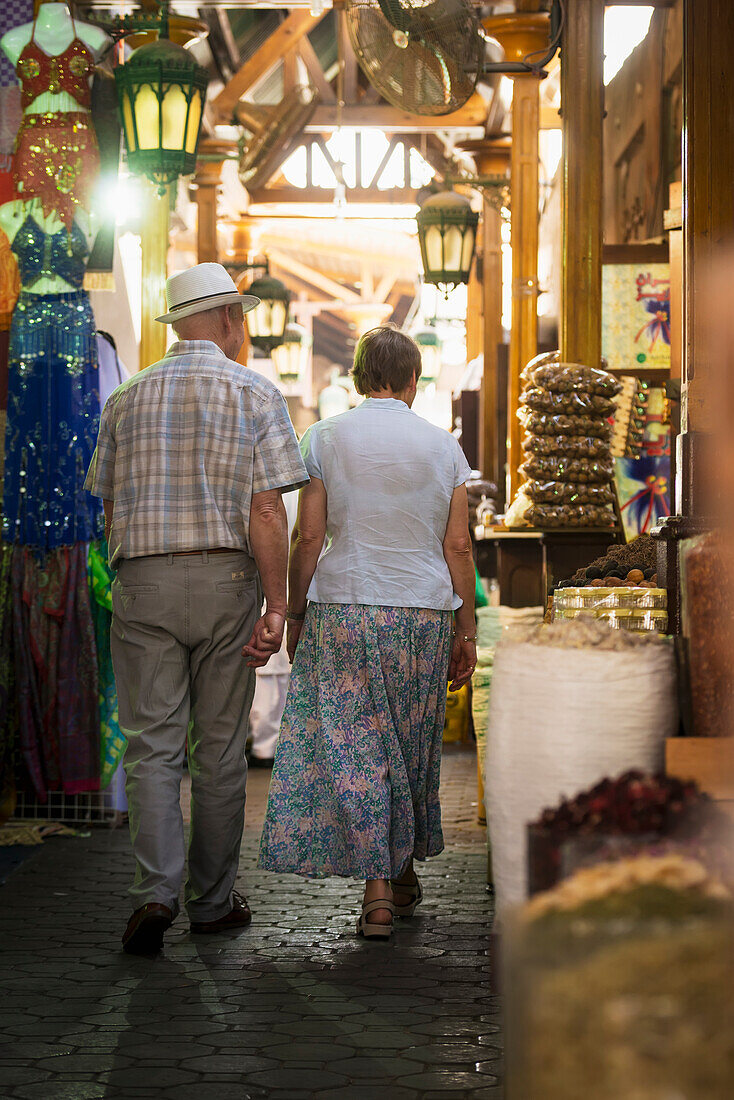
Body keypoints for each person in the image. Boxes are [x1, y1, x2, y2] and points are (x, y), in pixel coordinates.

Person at [84, 262, 309, 955]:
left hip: (143, 584)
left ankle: (155, 892)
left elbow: (109, 505)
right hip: (226, 583)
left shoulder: (124, 398)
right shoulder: (255, 393)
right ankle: (211, 903)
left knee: (152, 749)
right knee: (218, 750)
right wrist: (278, 603)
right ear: (231, 319)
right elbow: (267, 508)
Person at [259, 325, 477, 939]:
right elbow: (457, 544)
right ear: (413, 380)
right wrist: (468, 626)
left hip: (345, 609)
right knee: (408, 745)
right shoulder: (443, 447)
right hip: (421, 614)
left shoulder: (324, 438)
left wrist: (294, 611)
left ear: (357, 378)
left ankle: (382, 890)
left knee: (359, 748)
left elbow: (308, 536)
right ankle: (394, 878)